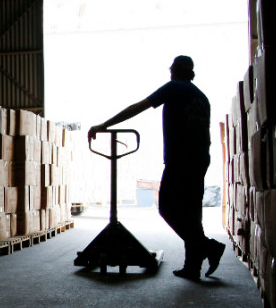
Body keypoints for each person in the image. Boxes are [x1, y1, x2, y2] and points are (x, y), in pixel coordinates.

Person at [88, 55, 225, 280]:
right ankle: (192, 267)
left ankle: (208, 247)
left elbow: (137, 108)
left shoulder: (174, 88)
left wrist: (104, 125)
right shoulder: (201, 97)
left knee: (167, 208)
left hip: (180, 160)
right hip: (200, 159)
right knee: (192, 214)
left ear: (174, 71)